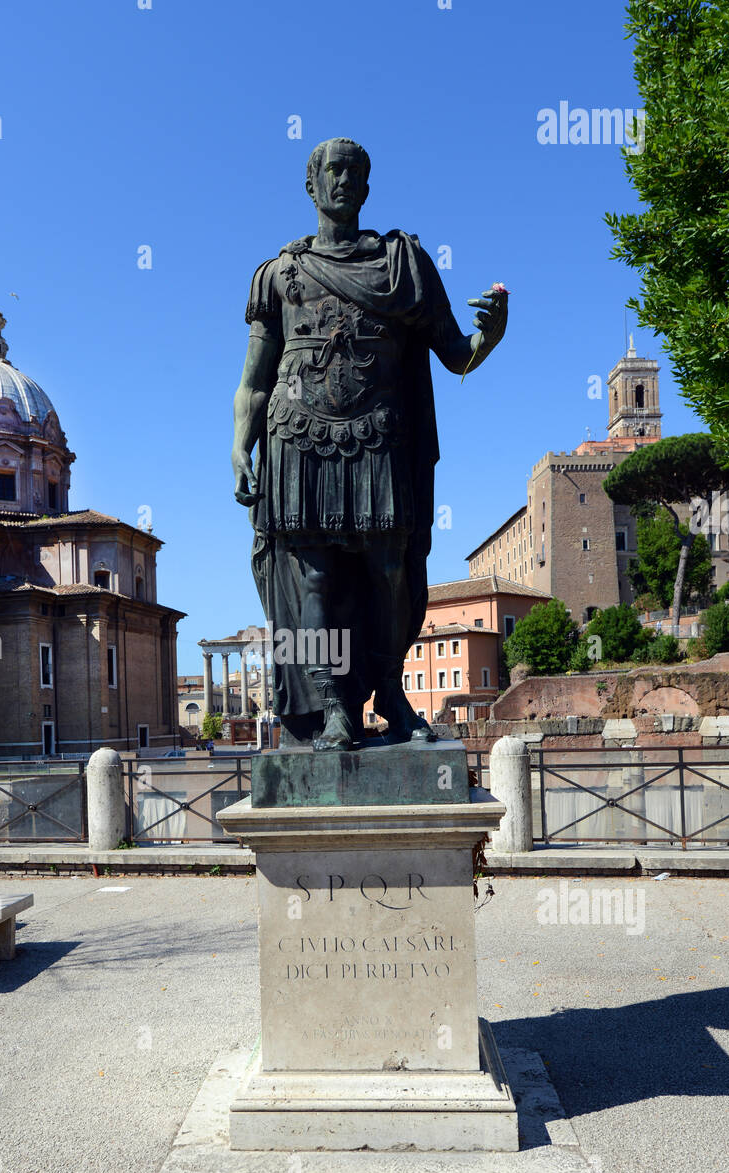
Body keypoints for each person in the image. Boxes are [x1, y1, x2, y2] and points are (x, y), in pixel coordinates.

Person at [231, 138, 508, 750]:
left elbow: (456, 353)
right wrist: (239, 447)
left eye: (356, 172)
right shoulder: (278, 275)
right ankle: (331, 707)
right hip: (297, 440)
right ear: (312, 185)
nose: (344, 181)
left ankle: (389, 688)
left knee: (391, 571)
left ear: (367, 185)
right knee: (314, 580)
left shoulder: (400, 264)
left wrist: (492, 337)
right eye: (333, 170)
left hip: (380, 437)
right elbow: (254, 379)